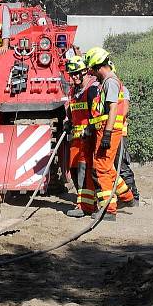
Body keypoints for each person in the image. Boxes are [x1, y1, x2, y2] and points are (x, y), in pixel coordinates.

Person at [84, 47, 136, 220]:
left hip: (109, 131)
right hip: (104, 130)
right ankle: (126, 197)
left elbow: (114, 108)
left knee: (102, 168)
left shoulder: (110, 82)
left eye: (92, 70)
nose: (92, 73)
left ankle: (109, 209)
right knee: (105, 167)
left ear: (99, 66)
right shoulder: (106, 82)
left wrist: (106, 134)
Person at [64, 55, 98, 218]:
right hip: (76, 139)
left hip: (88, 139)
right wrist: (68, 122)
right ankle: (85, 202)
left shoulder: (92, 89)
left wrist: (91, 128)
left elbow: (97, 115)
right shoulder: (73, 90)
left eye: (77, 73)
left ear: (85, 72)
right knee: (74, 169)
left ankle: (86, 206)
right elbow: (71, 111)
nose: (74, 77)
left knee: (86, 171)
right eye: (72, 74)